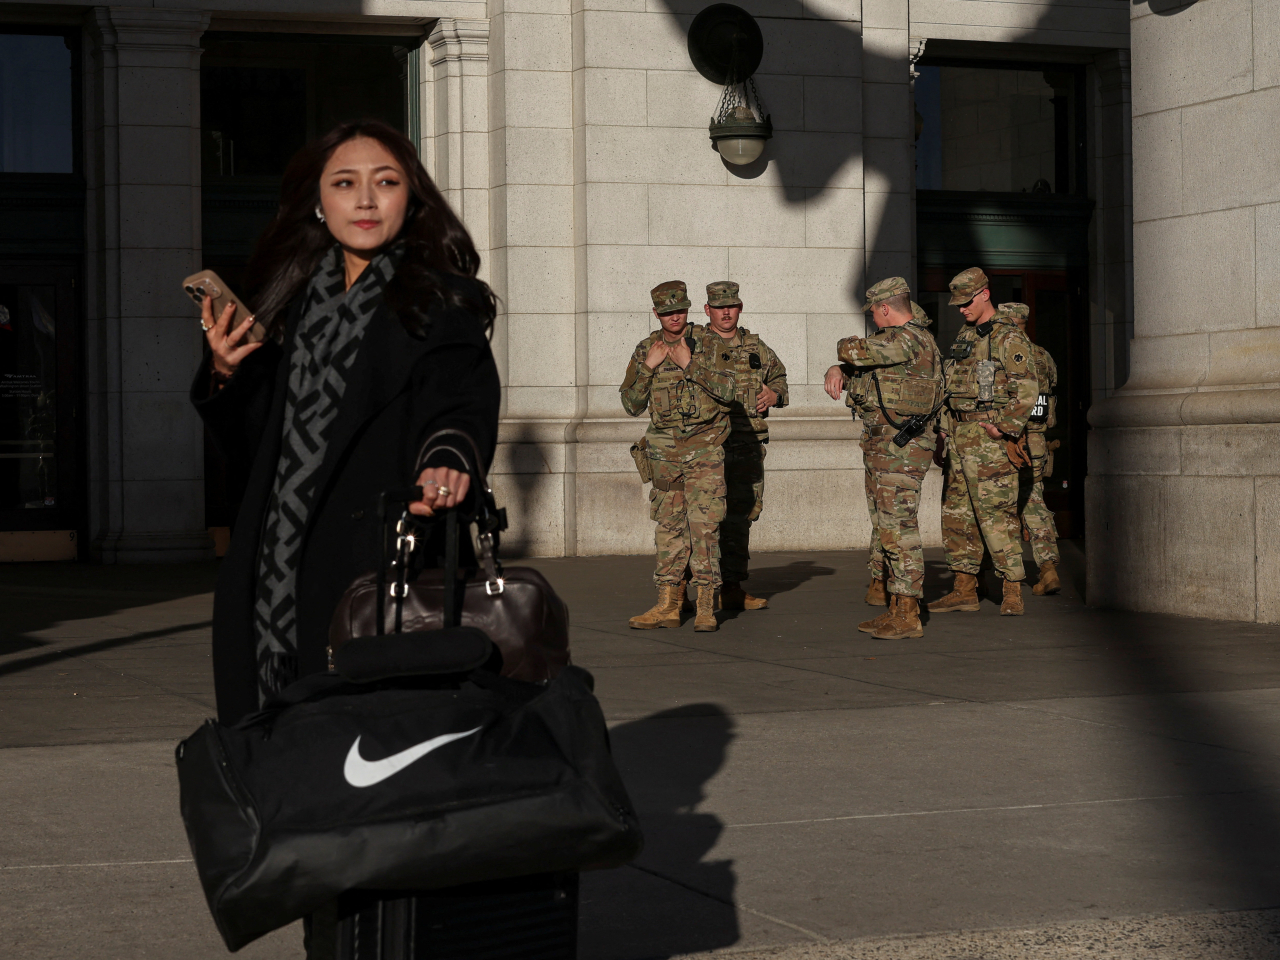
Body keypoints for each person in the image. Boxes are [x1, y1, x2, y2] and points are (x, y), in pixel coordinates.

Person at [191, 118, 501, 726]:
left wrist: (450, 458)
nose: (365, 199)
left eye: (385, 181)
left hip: (379, 561)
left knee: (370, 749)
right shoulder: (288, 302)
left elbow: (459, 399)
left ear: (410, 198)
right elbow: (253, 449)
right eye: (344, 183)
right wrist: (228, 374)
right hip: (273, 569)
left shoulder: (442, 301)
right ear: (316, 202)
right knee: (276, 742)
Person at [823, 278, 944, 639]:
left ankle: (907, 614)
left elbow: (853, 350)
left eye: (875, 312)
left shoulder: (904, 338)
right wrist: (839, 370)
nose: (874, 319)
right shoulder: (902, 343)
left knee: (899, 529)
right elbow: (861, 366)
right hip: (887, 448)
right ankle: (896, 607)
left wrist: (840, 358)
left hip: (899, 452)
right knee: (888, 528)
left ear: (887, 308)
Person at [621, 281, 735, 632]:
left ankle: (705, 605)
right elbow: (631, 404)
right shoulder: (646, 350)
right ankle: (668, 603)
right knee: (669, 528)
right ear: (656, 313)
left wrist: (690, 365)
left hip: (704, 448)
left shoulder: (710, 343)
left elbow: (731, 392)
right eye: (668, 312)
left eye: (680, 310)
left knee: (705, 527)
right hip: (665, 454)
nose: (675, 317)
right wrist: (647, 368)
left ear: (689, 308)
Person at [929, 268, 1039, 617]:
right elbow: (951, 388)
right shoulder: (965, 336)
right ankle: (964, 589)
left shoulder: (1009, 338)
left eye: (967, 302)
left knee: (997, 516)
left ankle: (1011, 589)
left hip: (989, 442)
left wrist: (1003, 427)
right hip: (960, 439)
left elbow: (1027, 389)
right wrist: (945, 429)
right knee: (957, 516)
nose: (961, 309)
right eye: (958, 304)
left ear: (985, 294)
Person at [703, 280, 788, 611]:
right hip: (706, 447)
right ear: (708, 309)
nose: (726, 312)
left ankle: (732, 588)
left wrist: (775, 394)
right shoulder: (695, 345)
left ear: (740, 308)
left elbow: (779, 377)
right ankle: (690, 592)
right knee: (701, 519)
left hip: (747, 444)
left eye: (732, 305)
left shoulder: (756, 348)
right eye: (719, 306)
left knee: (740, 517)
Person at [1004, 302, 1062, 595]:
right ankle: (1048, 567)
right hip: (1037, 439)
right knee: (1034, 502)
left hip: (1006, 439)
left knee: (996, 506)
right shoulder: (1044, 357)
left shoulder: (1003, 353)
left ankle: (994, 576)